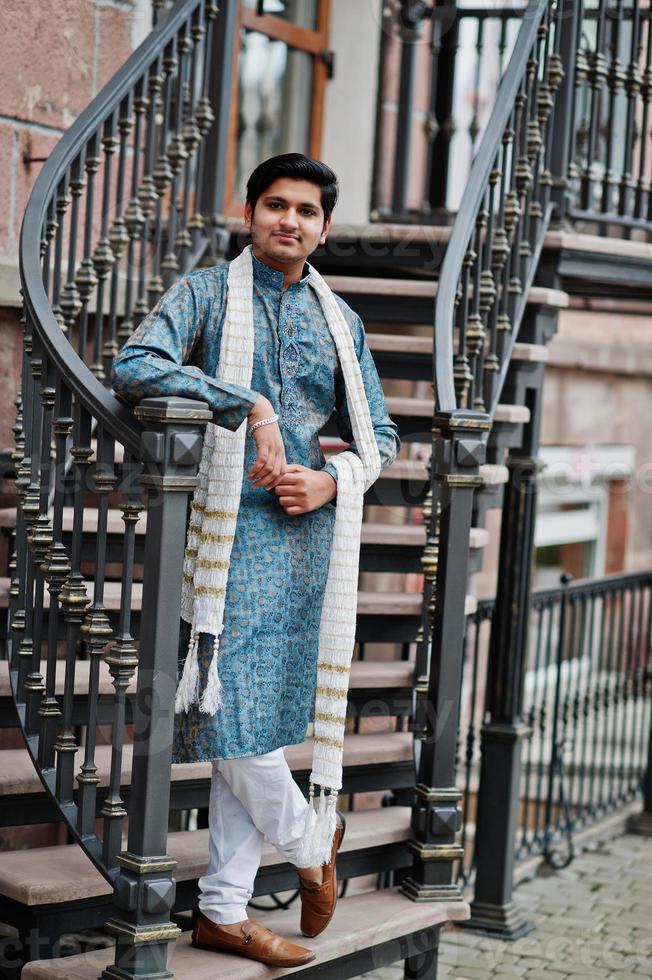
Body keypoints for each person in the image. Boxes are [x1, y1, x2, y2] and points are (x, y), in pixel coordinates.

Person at [112, 152, 400, 967]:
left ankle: (224, 910)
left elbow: (380, 435)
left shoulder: (340, 319)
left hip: (300, 536)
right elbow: (136, 364)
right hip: (220, 538)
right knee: (227, 713)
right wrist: (249, 404)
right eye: (276, 205)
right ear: (250, 212)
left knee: (261, 723)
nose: (290, 221)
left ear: (325, 227)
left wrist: (330, 478)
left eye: (307, 211)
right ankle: (312, 843)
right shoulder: (207, 293)